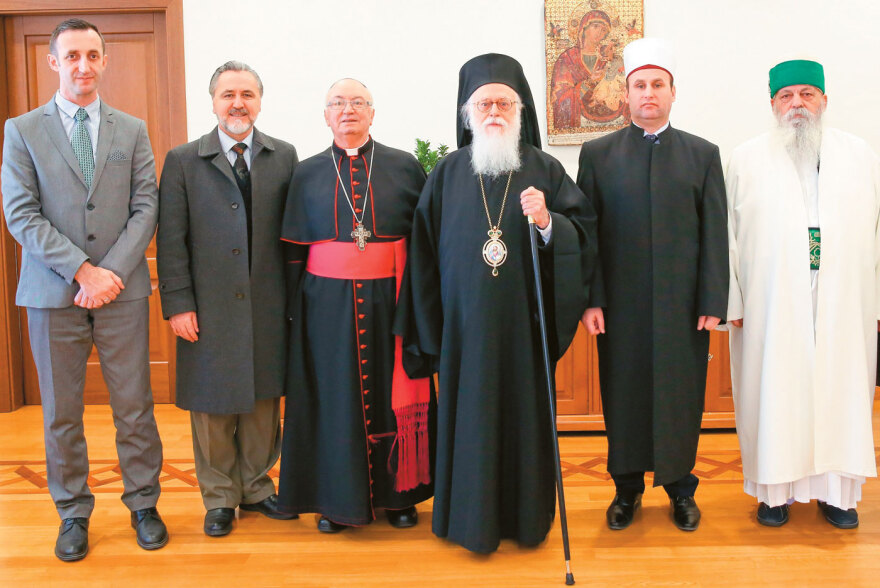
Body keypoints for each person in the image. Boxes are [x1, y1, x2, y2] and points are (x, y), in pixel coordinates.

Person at [395, 53, 597, 553]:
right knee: (468, 424)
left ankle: (526, 520)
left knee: (523, 421)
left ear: (520, 108)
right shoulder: (444, 174)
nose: (493, 112)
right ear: (467, 113)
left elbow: (582, 235)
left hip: (523, 330)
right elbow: (421, 256)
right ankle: (467, 522)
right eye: (483, 103)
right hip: (464, 335)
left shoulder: (545, 168)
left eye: (504, 102)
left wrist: (549, 222)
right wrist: (431, 329)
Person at [1, 18, 167, 561]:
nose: (83, 66)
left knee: (135, 406)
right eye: (72, 56)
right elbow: (21, 215)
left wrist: (110, 272)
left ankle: (144, 502)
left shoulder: (133, 129)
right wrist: (81, 270)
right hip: (52, 294)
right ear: (54, 62)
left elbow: (147, 206)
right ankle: (72, 511)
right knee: (60, 413)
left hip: (123, 290)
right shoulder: (22, 130)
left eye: (92, 55)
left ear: (103, 61)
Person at [576, 37, 728, 532]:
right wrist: (592, 299)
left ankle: (681, 490)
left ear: (672, 92)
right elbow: (588, 233)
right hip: (620, 306)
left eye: (657, 84)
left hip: (684, 306)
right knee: (623, 394)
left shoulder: (703, 154)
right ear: (626, 93)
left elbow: (714, 232)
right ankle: (626, 490)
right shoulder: (597, 154)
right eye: (639, 84)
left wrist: (712, 299)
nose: (648, 93)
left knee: (681, 396)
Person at [725, 59, 879, 528]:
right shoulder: (745, 159)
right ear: (772, 104)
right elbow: (728, 237)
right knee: (775, 391)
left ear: (825, 101)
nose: (797, 104)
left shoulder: (861, 155)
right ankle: (774, 493)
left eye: (807, 94)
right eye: (787, 95)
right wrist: (735, 302)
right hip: (771, 301)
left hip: (845, 298)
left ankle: (838, 496)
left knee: (840, 389)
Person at [276, 79, 434, 533]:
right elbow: (290, 252)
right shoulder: (305, 173)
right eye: (338, 104)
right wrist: (293, 316)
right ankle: (336, 501)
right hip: (325, 308)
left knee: (392, 395)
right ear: (325, 115)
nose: (348, 110)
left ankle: (400, 497)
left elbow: (424, 243)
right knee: (334, 399)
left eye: (358, 103)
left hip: (392, 301)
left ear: (372, 113)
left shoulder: (404, 166)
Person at [156, 61, 299, 537]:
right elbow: (171, 239)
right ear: (213, 100)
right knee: (213, 406)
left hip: (268, 303)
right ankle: (219, 498)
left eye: (247, 94)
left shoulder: (285, 156)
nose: (238, 103)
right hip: (208, 307)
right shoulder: (182, 161)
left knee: (262, 404)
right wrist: (178, 303)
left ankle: (257, 488)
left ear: (260, 100)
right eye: (228, 94)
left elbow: (294, 235)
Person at [550, 9, 626, 128]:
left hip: (614, 118)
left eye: (603, 29)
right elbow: (559, 98)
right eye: (595, 26)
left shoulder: (610, 58)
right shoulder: (567, 58)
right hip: (580, 119)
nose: (600, 32)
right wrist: (589, 82)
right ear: (583, 29)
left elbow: (624, 90)